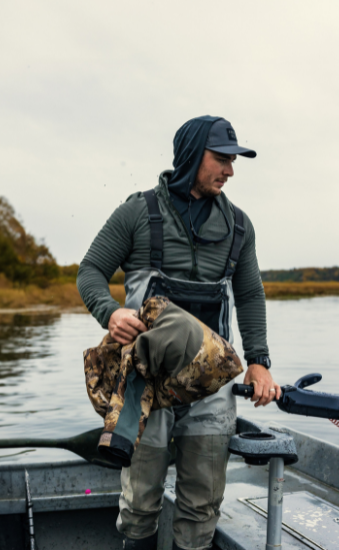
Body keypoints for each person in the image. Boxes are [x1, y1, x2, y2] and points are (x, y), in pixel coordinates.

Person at [77, 115, 280, 550]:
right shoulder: (137, 211)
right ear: (191, 157)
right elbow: (90, 270)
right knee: (139, 505)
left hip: (211, 388)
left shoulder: (239, 226)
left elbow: (250, 296)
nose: (230, 170)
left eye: (233, 160)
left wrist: (259, 362)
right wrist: (109, 312)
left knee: (201, 508)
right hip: (143, 383)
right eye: (222, 159)